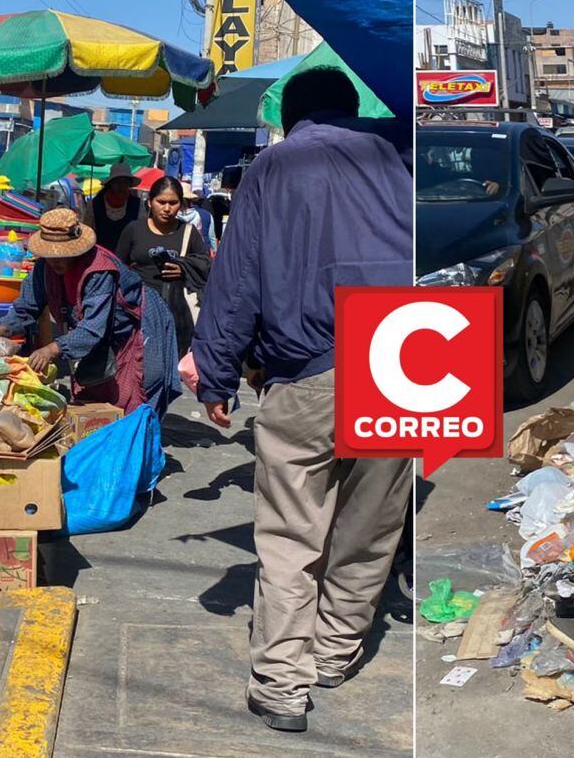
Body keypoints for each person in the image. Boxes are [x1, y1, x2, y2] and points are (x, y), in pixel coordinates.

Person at [191, 67, 412, 734]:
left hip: (308, 369)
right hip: (405, 365)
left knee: (292, 534)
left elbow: (237, 280)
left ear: (291, 118)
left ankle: (283, 684)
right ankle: (337, 651)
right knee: (370, 530)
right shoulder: (401, 157)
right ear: (349, 110)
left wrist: (216, 373)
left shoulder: (275, 167)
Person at [0, 208, 180, 414]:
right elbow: (28, 305)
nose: (56, 261)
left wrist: (50, 350)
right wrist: (3, 329)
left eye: (63, 255)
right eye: (50, 255)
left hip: (139, 328)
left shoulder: (99, 270)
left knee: (133, 403)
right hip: (102, 338)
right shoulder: (44, 268)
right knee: (91, 400)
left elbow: (92, 329)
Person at [115, 176, 210, 354]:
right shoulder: (134, 229)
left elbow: (206, 265)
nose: (167, 208)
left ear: (181, 204)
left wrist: (184, 268)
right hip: (137, 312)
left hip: (175, 315)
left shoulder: (188, 232)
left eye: (173, 203)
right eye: (161, 202)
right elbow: (117, 268)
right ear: (150, 202)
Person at [82, 162, 142, 253]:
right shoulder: (95, 204)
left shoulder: (137, 204)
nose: (122, 186)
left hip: (128, 259)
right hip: (101, 256)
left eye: (125, 182)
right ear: (111, 183)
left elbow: (141, 232)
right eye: (118, 182)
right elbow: (87, 232)